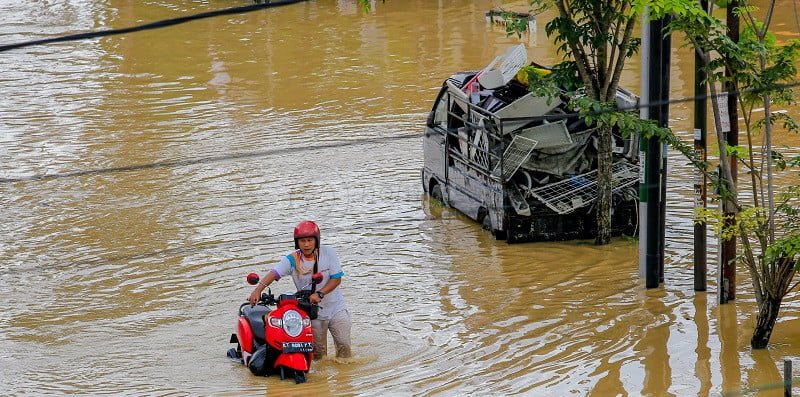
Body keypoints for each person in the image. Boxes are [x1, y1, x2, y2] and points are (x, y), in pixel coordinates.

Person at [249, 220, 352, 359]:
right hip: (314, 313)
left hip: (336, 308)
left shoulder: (328, 253)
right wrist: (258, 290)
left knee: (344, 346)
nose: (306, 244)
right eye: (302, 241)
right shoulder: (292, 260)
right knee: (318, 355)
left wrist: (320, 293)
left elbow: (336, 279)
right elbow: (274, 273)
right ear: (297, 242)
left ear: (316, 241)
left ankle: (344, 379)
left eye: (310, 240)